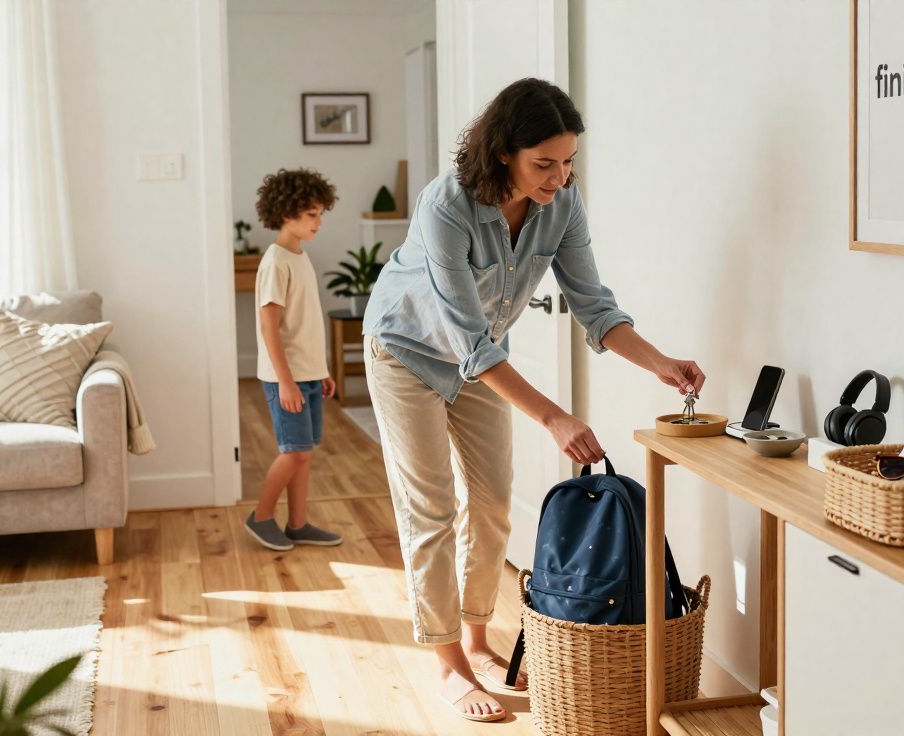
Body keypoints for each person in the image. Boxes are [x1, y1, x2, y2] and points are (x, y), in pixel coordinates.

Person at [362, 78, 706, 723]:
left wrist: (661, 364)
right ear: (502, 153)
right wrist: (552, 415)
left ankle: (475, 637)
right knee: (432, 508)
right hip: (406, 353)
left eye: (568, 160)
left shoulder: (563, 206)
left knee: (491, 504)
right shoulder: (446, 206)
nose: (559, 177)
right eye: (544, 163)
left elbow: (595, 306)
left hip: (479, 361)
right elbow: (466, 337)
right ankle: (448, 665)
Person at [244, 168, 344, 551]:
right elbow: (269, 326)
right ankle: (262, 516)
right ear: (286, 214)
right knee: (295, 450)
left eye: (321, 213)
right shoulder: (276, 261)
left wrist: (321, 371)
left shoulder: (300, 257)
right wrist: (285, 381)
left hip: (307, 373)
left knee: (305, 452)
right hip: (284, 377)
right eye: (311, 215)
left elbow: (303, 325)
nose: (319, 222)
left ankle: (298, 523)